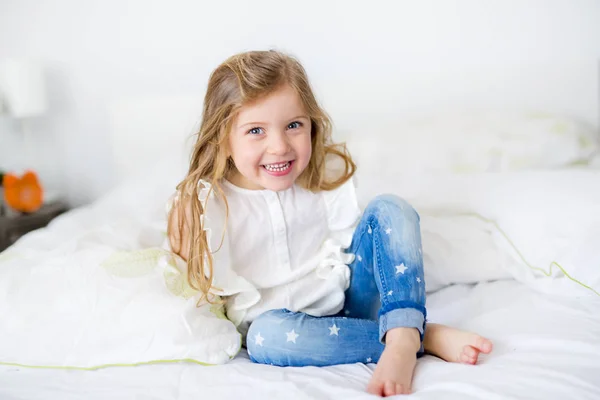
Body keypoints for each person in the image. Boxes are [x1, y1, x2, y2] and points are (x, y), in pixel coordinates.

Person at [167, 50, 493, 397]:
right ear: (223, 138)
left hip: (350, 300)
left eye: (294, 125)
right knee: (264, 340)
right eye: (256, 130)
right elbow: (192, 281)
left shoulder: (319, 181)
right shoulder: (211, 206)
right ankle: (419, 337)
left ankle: (403, 327)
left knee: (391, 208)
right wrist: (186, 225)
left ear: (311, 124)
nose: (279, 146)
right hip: (283, 328)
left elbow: (361, 242)